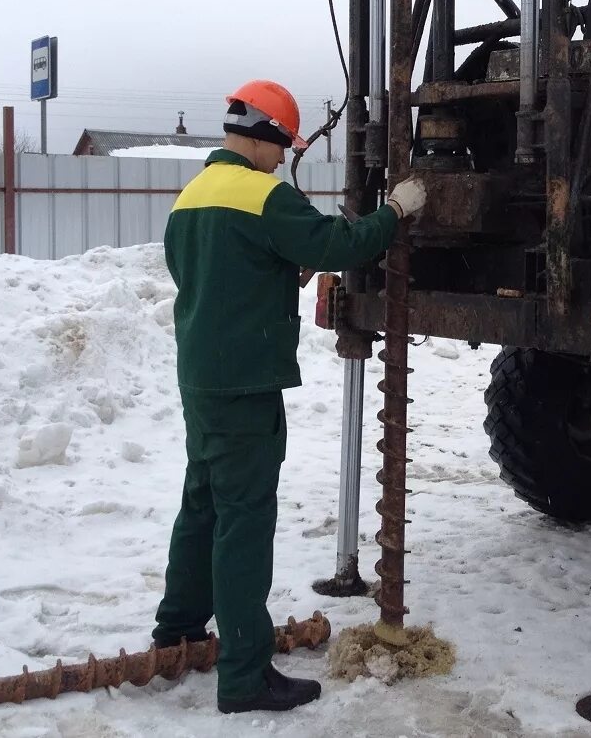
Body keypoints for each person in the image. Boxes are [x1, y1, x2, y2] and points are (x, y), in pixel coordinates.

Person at [150, 79, 426, 714]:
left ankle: (180, 630)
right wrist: (397, 211)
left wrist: (270, 273)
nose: (283, 158)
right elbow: (341, 243)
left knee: (203, 503)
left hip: (202, 376)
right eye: (283, 146)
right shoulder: (263, 194)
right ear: (268, 135)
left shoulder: (192, 195)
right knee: (245, 520)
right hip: (246, 383)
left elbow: (204, 273)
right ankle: (245, 676)